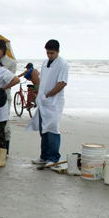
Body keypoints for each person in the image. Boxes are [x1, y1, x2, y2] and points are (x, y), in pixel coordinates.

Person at [27, 39, 69, 171]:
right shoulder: (45, 63)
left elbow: (62, 83)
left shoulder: (62, 64)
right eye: (47, 53)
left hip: (54, 102)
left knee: (52, 129)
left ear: (58, 51)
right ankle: (44, 156)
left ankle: (54, 157)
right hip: (43, 101)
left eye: (52, 53)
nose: (49, 55)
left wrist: (49, 94)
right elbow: (42, 80)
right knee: (42, 129)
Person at [0, 50, 20, 167]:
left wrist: (3, 88)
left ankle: (1, 159)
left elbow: (16, 79)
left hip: (0, 104)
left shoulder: (2, 71)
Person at [0, 39, 17, 152]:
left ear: (3, 49)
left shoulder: (11, 63)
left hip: (4, 95)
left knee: (5, 123)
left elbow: (12, 79)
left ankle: (5, 148)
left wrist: (2, 89)